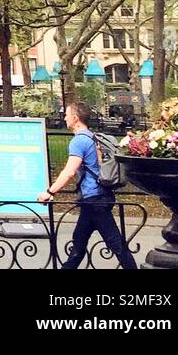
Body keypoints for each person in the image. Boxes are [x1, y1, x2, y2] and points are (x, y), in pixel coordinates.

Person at [38, 102, 137, 270]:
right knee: (79, 242)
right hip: (94, 199)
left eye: (67, 115)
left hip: (94, 200)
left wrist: (49, 192)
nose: (64, 118)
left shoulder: (79, 141)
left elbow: (69, 171)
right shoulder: (92, 137)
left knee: (116, 243)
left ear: (75, 118)